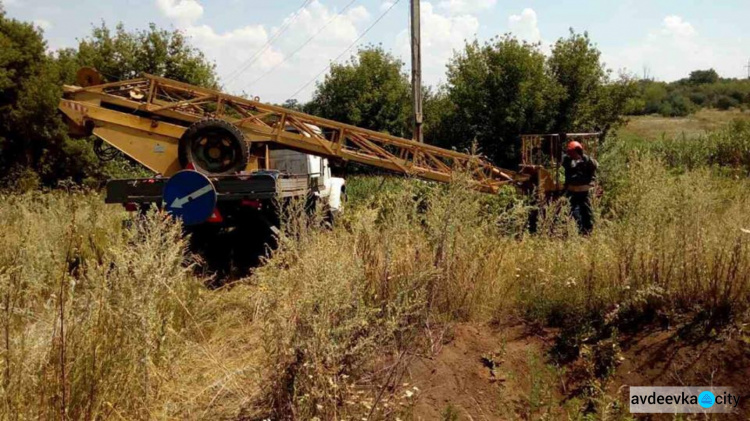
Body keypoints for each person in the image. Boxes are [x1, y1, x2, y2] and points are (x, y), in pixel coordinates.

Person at [562, 140, 598, 235]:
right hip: (572, 190)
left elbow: (594, 166)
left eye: (572, 152)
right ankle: (579, 229)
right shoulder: (568, 160)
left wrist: (582, 159)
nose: (571, 154)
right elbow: (565, 163)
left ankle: (587, 231)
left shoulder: (587, 160)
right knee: (573, 211)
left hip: (584, 190)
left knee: (586, 212)